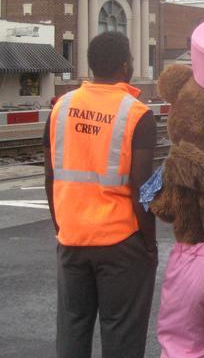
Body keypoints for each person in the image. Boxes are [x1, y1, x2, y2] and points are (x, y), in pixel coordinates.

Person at [43, 31, 158, 358]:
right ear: (124, 65)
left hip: (72, 240)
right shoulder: (137, 114)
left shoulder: (61, 107)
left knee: (72, 330)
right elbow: (142, 188)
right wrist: (149, 243)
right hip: (121, 243)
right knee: (122, 334)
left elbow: (50, 176)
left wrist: (61, 227)